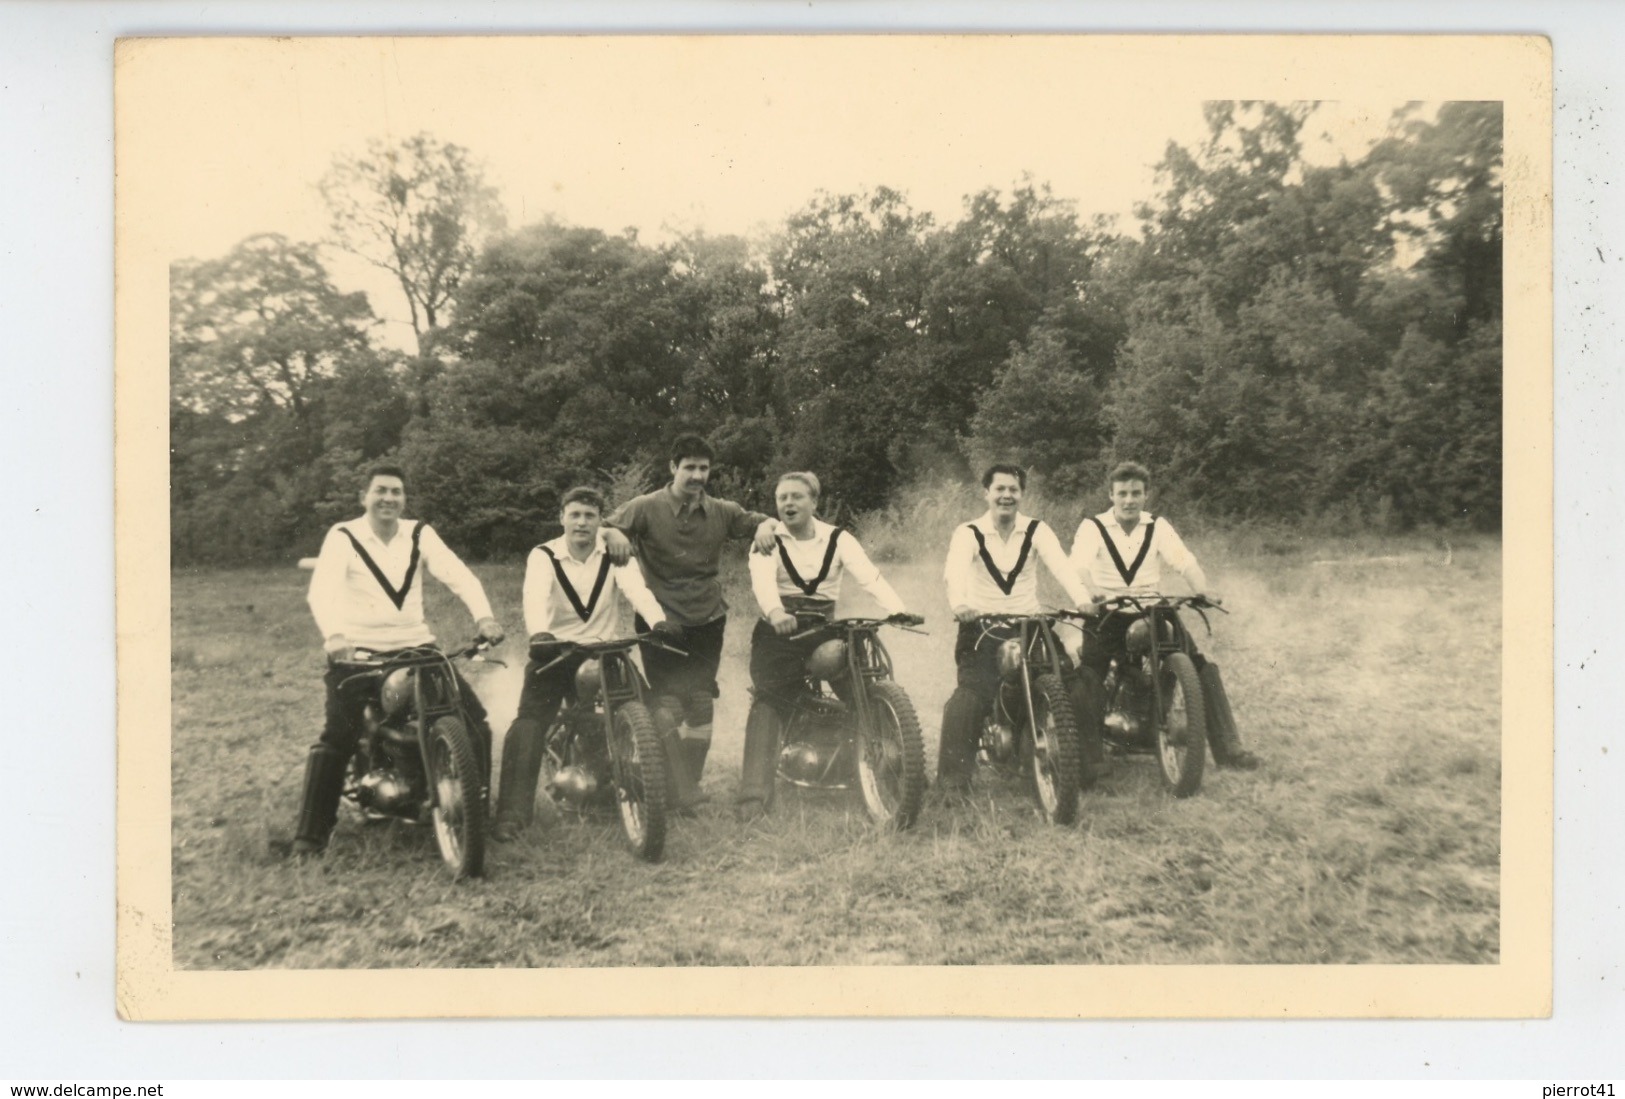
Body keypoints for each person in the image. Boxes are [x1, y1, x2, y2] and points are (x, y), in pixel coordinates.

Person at [290, 463, 506, 857]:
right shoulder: (343, 535)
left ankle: (475, 814)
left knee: (475, 722)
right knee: (338, 736)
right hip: (358, 653)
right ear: (364, 497)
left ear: (404, 499)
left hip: (417, 647)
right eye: (381, 490)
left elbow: (458, 574)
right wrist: (336, 637)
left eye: (396, 492)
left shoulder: (419, 533)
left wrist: (485, 616)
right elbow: (321, 591)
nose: (389, 498)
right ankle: (309, 837)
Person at [491, 486, 694, 841]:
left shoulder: (615, 552)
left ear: (601, 521)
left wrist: (659, 620)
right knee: (529, 723)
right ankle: (512, 815)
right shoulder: (543, 555)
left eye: (589, 516)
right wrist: (539, 634)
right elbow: (534, 597)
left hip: (606, 652)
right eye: (575, 515)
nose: (581, 523)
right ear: (562, 518)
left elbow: (636, 590)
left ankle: (676, 797)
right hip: (554, 653)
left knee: (655, 712)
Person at [601, 434, 777, 793]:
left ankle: (689, 781)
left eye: (704, 468)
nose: (697, 475)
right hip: (661, 622)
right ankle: (666, 782)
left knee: (699, 702)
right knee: (667, 703)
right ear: (672, 468)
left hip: (708, 619)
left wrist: (764, 526)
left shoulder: (722, 510)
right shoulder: (645, 506)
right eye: (689, 467)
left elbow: (765, 522)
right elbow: (602, 527)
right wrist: (612, 534)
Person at [737, 471, 914, 820]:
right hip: (779, 631)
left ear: (814, 502)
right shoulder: (767, 540)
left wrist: (898, 609)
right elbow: (762, 583)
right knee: (770, 699)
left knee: (863, 686)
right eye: (782, 498)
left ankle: (902, 770)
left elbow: (869, 575)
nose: (788, 503)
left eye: (796, 497)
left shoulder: (839, 539)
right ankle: (753, 796)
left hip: (824, 627)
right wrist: (775, 612)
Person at [1068, 461, 1260, 769]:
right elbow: (1078, 566)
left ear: (1146, 496)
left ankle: (1229, 749)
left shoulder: (1158, 526)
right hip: (1106, 613)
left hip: (1151, 610)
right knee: (1090, 675)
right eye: (1122, 493)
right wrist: (1093, 592)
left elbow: (1185, 562)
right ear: (1111, 495)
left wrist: (1202, 589)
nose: (1129, 500)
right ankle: (1089, 760)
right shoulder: (1094, 527)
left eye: (1136, 493)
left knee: (1201, 668)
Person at [937, 463, 1103, 796]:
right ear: (986, 494)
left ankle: (1087, 768)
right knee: (970, 697)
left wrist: (1083, 599)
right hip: (981, 626)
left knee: (1073, 682)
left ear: (1022, 494)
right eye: (1000, 489)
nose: (1007, 496)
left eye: (1013, 489)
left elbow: (1063, 567)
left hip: (1030, 624)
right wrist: (961, 605)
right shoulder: (968, 532)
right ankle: (952, 783)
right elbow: (954, 573)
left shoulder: (1037, 530)